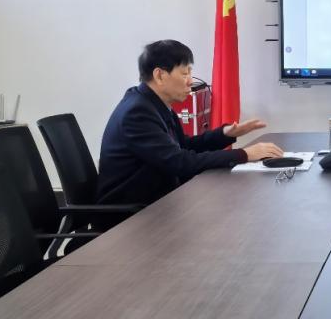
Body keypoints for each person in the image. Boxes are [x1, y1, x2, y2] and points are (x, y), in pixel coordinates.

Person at [96, 40, 283, 206]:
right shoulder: (137, 113)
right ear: (159, 75)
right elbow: (180, 162)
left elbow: (183, 145)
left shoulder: (153, 103)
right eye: (184, 73)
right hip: (130, 217)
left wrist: (226, 133)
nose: (190, 81)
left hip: (158, 203)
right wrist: (244, 154)